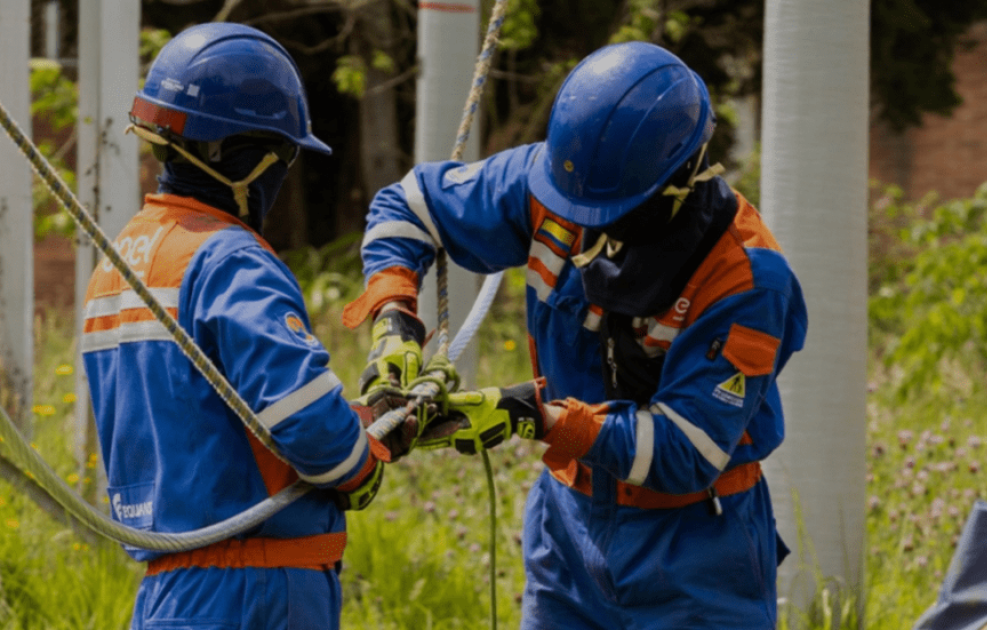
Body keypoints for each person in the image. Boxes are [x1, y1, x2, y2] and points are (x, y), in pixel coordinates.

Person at [344, 41, 808, 629]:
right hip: (568, 532)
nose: (582, 226)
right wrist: (395, 323)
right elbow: (406, 207)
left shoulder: (746, 280)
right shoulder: (560, 185)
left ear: (681, 179)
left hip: (695, 550)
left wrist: (532, 416)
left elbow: (685, 451)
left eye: (606, 214)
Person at [80, 23, 404, 630]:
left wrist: (358, 421)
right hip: (256, 586)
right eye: (282, 156)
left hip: (168, 593)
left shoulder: (117, 263)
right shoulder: (230, 258)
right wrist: (363, 463)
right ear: (246, 159)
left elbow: (203, 416)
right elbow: (304, 418)